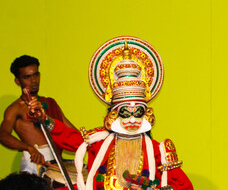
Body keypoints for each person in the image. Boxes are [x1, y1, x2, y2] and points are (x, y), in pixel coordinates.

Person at [28, 37, 193, 190]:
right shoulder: (99, 141)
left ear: (146, 115)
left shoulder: (159, 151)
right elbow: (68, 138)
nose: (132, 119)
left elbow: (185, 187)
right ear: (114, 115)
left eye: (138, 113)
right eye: (126, 113)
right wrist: (43, 118)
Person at [0, 55, 76, 175]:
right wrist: (29, 148)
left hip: (56, 164)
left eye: (36, 75)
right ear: (18, 81)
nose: (33, 81)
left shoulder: (49, 103)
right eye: (27, 77)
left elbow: (72, 132)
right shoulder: (15, 108)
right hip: (33, 162)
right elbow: (3, 135)